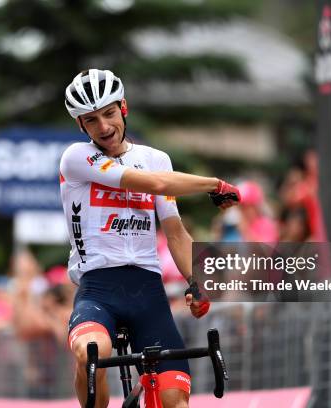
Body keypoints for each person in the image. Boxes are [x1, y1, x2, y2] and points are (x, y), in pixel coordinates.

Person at [60, 69, 241, 408]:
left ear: (123, 107)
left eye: (109, 113)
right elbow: (156, 184)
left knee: (174, 402)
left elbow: (175, 231)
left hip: (149, 293)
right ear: (80, 126)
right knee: (91, 352)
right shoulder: (76, 157)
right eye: (91, 120)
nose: (103, 127)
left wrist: (195, 282)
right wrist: (214, 184)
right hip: (99, 288)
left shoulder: (155, 160)